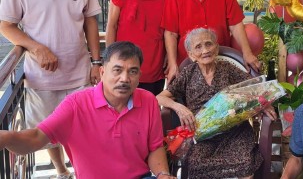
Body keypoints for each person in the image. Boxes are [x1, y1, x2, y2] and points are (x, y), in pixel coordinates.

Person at [0, 0, 101, 178]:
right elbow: (6, 26)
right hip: (42, 76)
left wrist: (97, 62)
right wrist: (36, 48)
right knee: (47, 132)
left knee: (84, 130)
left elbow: (90, 19)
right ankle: (61, 170)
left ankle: (84, 172)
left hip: (79, 72)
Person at [0, 41, 176, 179]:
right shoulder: (76, 105)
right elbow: (36, 138)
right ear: (102, 72)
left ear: (139, 76)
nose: (124, 78)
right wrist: (7, 137)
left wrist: (163, 175)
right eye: (117, 70)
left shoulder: (148, 101)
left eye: (133, 72)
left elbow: (155, 147)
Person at [156, 27, 276, 179]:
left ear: (216, 48)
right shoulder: (188, 73)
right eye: (198, 47)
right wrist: (179, 107)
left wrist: (263, 104)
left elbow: (255, 88)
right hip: (203, 134)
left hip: (235, 132)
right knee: (196, 162)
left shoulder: (227, 68)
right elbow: (159, 98)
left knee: (245, 161)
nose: (205, 50)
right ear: (191, 55)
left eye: (208, 44)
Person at [106, 0, 173, 96]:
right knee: (122, 108)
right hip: (123, 63)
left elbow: (170, 29)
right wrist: (109, 58)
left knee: (150, 108)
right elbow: (111, 25)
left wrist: (170, 57)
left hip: (154, 63)